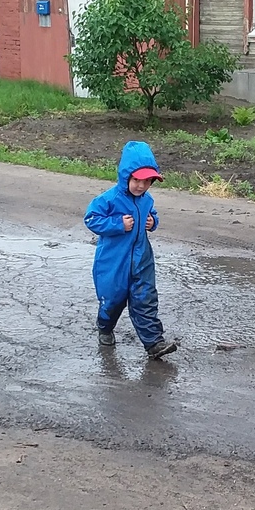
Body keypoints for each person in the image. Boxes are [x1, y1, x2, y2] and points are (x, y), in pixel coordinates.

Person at [85, 141, 179, 359]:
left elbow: (152, 213)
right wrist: (118, 225)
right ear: (125, 176)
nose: (141, 186)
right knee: (113, 300)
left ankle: (154, 343)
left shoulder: (147, 200)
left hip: (142, 258)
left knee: (145, 298)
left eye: (147, 181)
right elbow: (91, 218)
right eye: (136, 179)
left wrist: (152, 221)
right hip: (113, 261)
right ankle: (105, 327)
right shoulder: (109, 199)